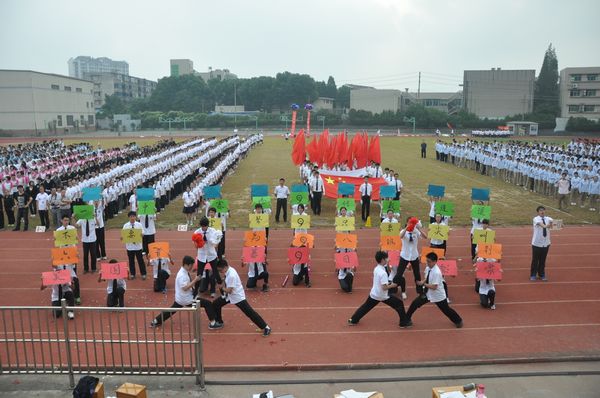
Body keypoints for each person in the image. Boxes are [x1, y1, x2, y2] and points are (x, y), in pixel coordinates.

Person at [150, 255, 222, 329]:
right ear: (186, 265)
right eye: (191, 266)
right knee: (208, 303)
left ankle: (156, 321)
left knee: (171, 310)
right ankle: (213, 323)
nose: (191, 267)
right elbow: (185, 288)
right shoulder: (182, 275)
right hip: (187, 299)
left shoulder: (183, 272)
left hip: (181, 298)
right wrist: (195, 280)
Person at [348, 251, 412, 328]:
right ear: (382, 260)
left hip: (374, 293)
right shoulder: (383, 273)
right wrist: (393, 285)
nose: (388, 259)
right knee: (399, 304)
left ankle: (353, 319)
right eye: (387, 258)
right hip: (382, 295)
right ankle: (403, 322)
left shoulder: (376, 268)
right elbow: (384, 287)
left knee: (365, 307)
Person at [212, 259, 272, 336]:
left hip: (237, 297)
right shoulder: (229, 270)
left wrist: (221, 287)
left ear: (224, 267)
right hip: (230, 296)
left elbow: (229, 290)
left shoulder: (231, 275)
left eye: (220, 270)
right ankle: (219, 321)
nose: (220, 272)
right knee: (216, 304)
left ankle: (266, 327)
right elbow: (227, 281)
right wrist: (224, 280)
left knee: (250, 313)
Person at [405, 252, 463, 328]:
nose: (427, 263)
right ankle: (406, 319)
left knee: (446, 310)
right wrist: (422, 282)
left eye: (429, 261)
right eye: (427, 261)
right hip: (428, 293)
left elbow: (434, 287)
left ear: (435, 261)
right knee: (415, 303)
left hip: (437, 295)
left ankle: (458, 320)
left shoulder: (437, 272)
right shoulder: (428, 268)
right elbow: (427, 277)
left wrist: (423, 284)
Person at [394, 217, 428, 300]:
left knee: (417, 275)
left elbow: (425, 237)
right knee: (399, 274)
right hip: (404, 255)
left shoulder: (416, 231)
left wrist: (419, 229)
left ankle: (420, 292)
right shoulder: (403, 231)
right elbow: (401, 236)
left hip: (414, 255)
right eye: (410, 222)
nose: (411, 224)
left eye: (412, 223)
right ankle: (394, 289)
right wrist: (407, 228)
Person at [192, 216, 222, 297]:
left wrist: (216, 243)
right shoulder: (197, 232)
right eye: (202, 226)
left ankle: (222, 292)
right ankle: (195, 293)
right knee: (199, 274)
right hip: (201, 256)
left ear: (208, 225)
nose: (204, 228)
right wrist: (198, 244)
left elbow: (217, 242)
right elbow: (195, 246)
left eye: (205, 226)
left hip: (211, 255)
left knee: (216, 273)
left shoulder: (213, 231)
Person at [530, 206, 552, 281]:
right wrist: (546, 226)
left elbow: (554, 223)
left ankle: (541, 274)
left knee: (543, 260)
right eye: (540, 210)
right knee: (535, 260)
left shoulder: (548, 218)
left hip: (546, 243)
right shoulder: (536, 219)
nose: (542, 212)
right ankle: (533, 274)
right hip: (537, 243)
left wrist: (560, 225)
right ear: (538, 212)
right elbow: (541, 225)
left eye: (543, 210)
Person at [123, 211, 146, 280]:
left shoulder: (139, 225)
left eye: (133, 216)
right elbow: (123, 235)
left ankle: (143, 273)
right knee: (131, 261)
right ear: (129, 217)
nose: (132, 218)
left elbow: (143, 233)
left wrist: (142, 234)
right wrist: (122, 237)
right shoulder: (126, 225)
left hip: (138, 246)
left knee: (140, 260)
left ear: (135, 217)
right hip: (129, 247)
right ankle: (132, 274)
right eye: (131, 217)